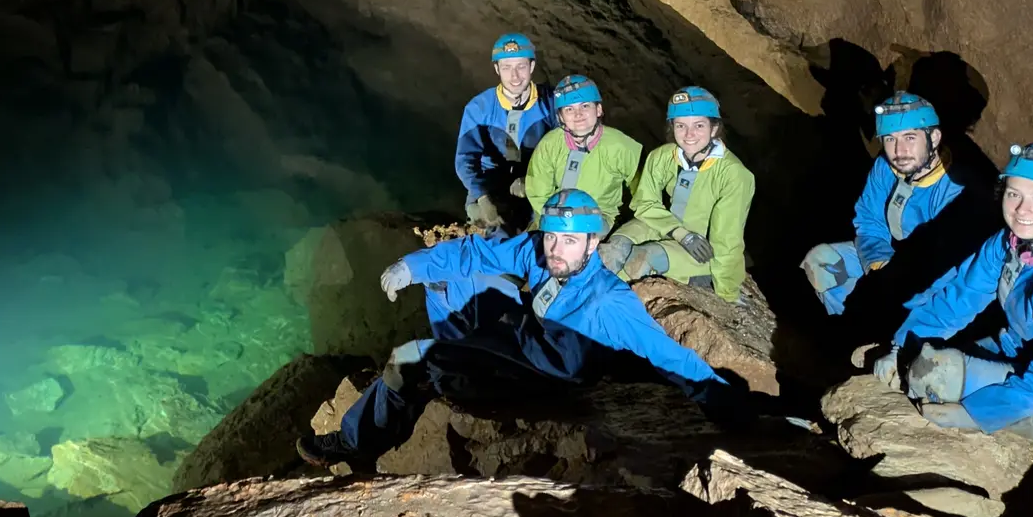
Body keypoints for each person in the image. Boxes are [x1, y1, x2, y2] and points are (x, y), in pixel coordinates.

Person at [300, 189, 729, 470]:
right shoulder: (542, 252)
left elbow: (668, 355)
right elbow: (478, 252)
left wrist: (731, 404)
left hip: (538, 381)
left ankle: (355, 446)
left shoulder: (608, 303)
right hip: (520, 340)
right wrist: (413, 266)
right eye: (553, 238)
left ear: (593, 244)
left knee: (406, 360)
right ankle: (452, 356)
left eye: (571, 241)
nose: (557, 251)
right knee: (456, 277)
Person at [866, 140, 1033, 441]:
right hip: (1017, 349)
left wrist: (976, 414)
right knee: (918, 357)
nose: (1022, 210)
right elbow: (959, 297)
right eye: (1014, 194)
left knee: (932, 373)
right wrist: (902, 344)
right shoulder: (1010, 243)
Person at [802, 92, 965, 315]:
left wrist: (894, 282)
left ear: (934, 138)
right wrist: (879, 264)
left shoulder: (954, 188)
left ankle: (890, 333)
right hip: (888, 257)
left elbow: (946, 264)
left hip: (931, 279)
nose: (899, 151)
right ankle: (852, 327)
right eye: (890, 139)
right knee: (821, 262)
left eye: (909, 137)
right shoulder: (886, 167)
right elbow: (869, 220)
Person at [598, 87, 755, 303]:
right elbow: (645, 202)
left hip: (702, 247)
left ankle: (604, 307)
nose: (689, 135)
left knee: (642, 259)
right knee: (612, 250)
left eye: (699, 125)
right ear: (672, 127)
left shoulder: (734, 175)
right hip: (667, 225)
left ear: (714, 127)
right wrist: (679, 232)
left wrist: (727, 291)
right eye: (681, 126)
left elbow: (727, 239)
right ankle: (582, 298)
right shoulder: (663, 156)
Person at [454, 33, 557, 232]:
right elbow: (465, 160)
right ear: (497, 69)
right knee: (482, 217)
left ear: (532, 66)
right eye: (507, 67)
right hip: (494, 176)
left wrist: (537, 182)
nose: (515, 76)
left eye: (521, 66)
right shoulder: (480, 108)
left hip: (536, 175)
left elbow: (569, 149)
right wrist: (482, 196)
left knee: (545, 225)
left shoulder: (551, 104)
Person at [523, 74, 643, 225]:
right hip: (553, 216)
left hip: (599, 218)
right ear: (560, 117)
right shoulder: (549, 145)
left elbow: (644, 195)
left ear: (598, 110)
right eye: (569, 109)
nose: (578, 114)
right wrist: (557, 222)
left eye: (585, 106)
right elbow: (538, 195)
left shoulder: (621, 147)